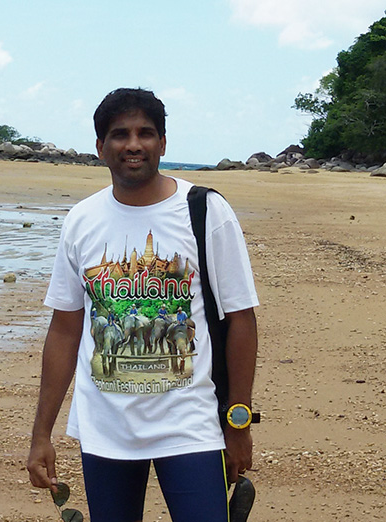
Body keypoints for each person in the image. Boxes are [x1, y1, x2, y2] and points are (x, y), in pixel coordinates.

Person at [26, 88, 259, 522]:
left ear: (163, 143)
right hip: (105, 429)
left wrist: (238, 422)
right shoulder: (82, 220)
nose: (133, 144)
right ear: (100, 148)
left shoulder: (206, 211)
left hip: (190, 426)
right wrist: (42, 433)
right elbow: (64, 327)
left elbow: (241, 319)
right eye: (119, 134)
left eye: (145, 133)